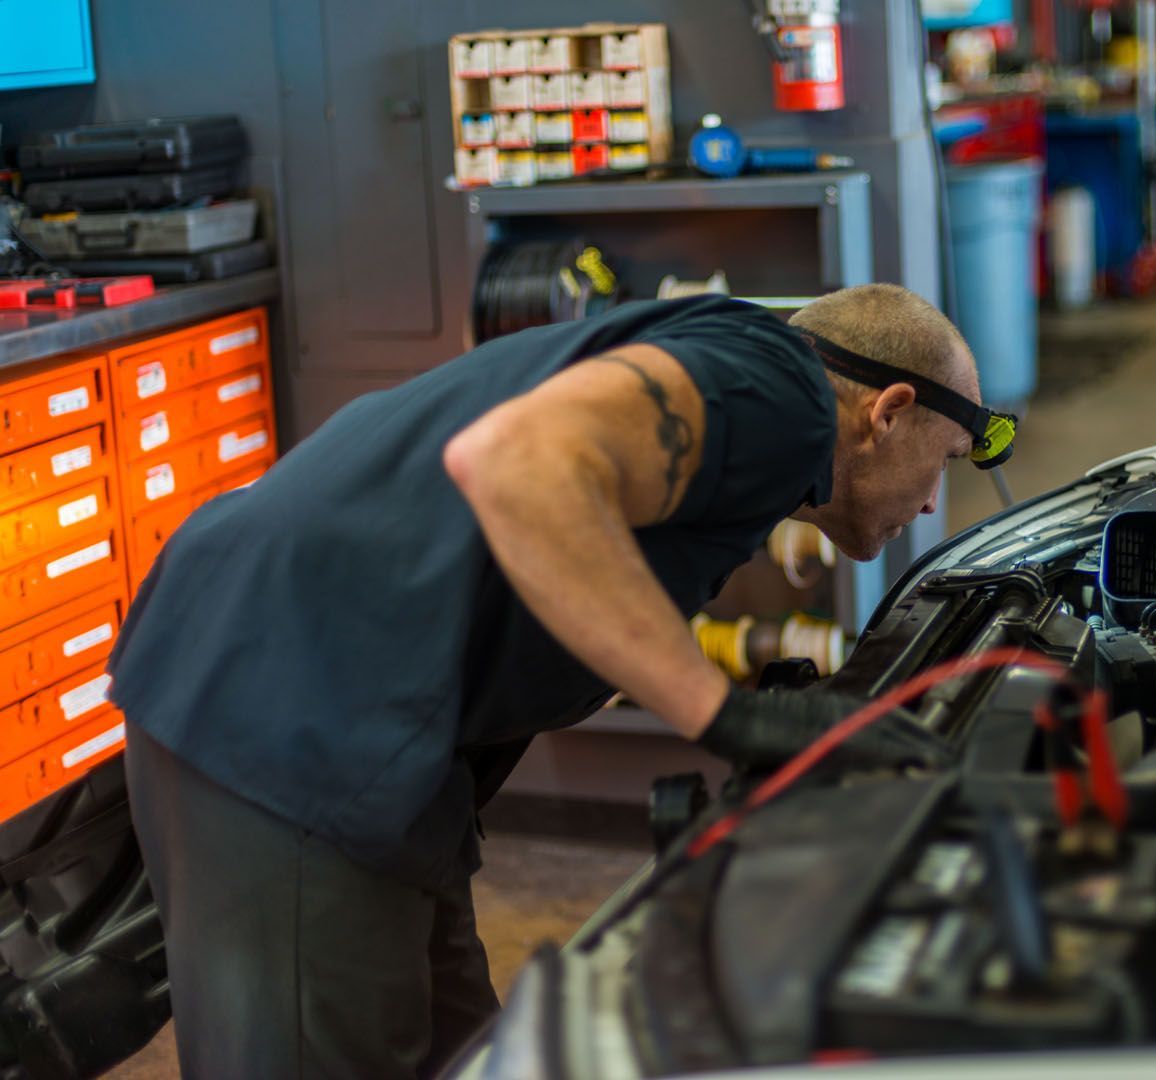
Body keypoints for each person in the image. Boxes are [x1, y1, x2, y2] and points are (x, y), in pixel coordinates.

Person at [109, 284, 981, 1077]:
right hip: (288, 713)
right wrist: (723, 717)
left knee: (459, 1050)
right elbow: (512, 460)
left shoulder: (742, 382)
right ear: (890, 413)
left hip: (373, 730)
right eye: (944, 460)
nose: (935, 503)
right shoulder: (783, 394)